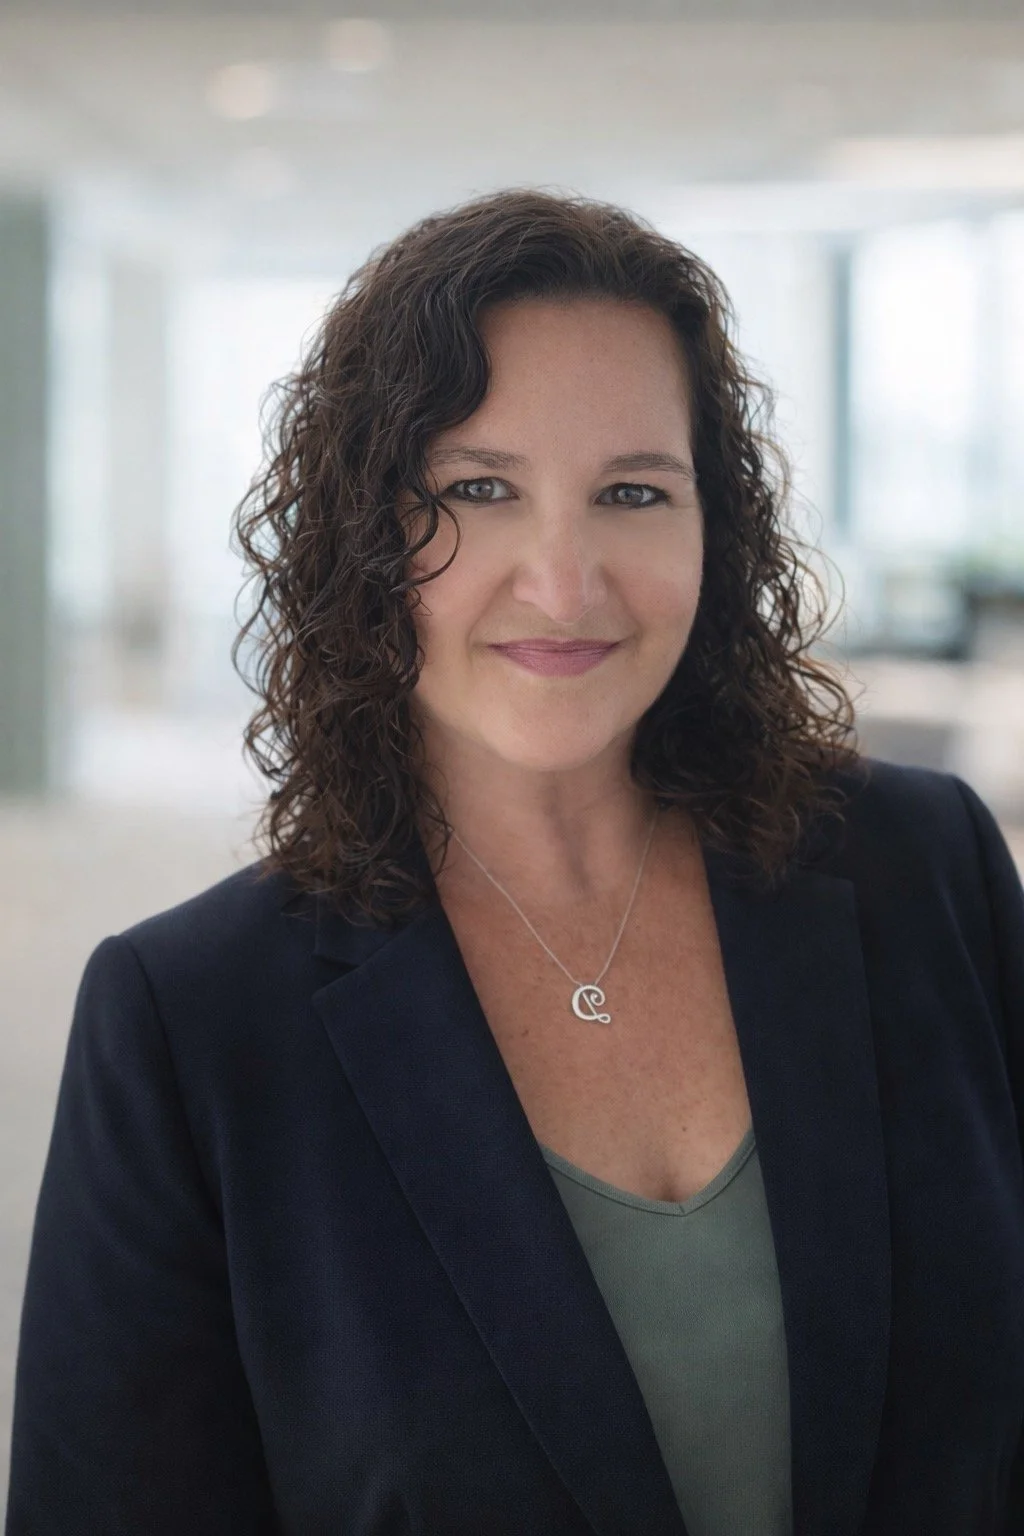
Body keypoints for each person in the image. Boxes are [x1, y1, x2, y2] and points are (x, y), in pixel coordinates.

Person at [6, 189, 1024, 1536]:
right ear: (364, 537)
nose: (563, 579)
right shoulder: (189, 1019)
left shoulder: (926, 866)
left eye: (633, 492)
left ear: (714, 530)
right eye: (478, 491)